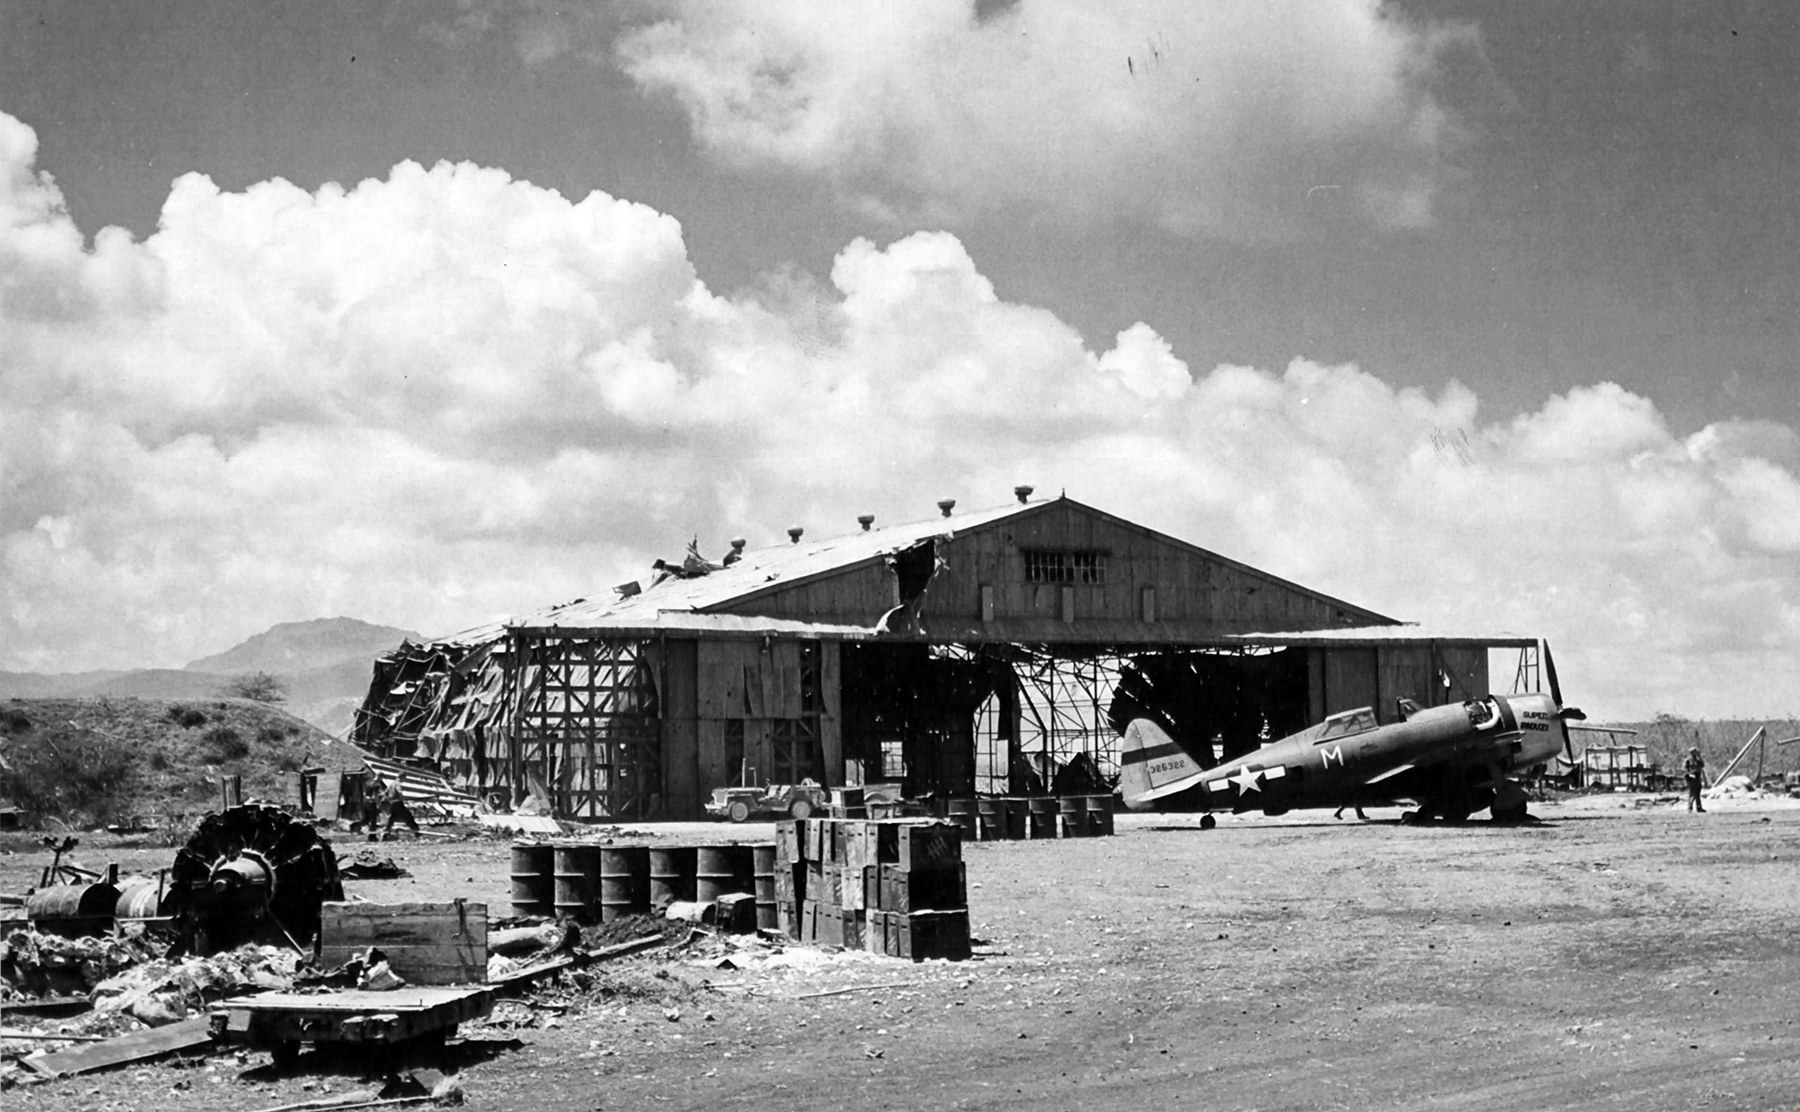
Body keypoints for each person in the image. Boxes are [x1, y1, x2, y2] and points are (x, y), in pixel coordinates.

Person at [1684, 746, 1706, 813]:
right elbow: (1685, 769)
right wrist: (1689, 775)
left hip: (1697, 776)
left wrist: (1699, 757)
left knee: (1698, 793)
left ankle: (1699, 807)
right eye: (1695, 752)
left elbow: (1702, 765)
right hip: (1692, 777)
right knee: (1692, 793)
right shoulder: (1688, 760)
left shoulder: (1698, 759)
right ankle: (1689, 807)